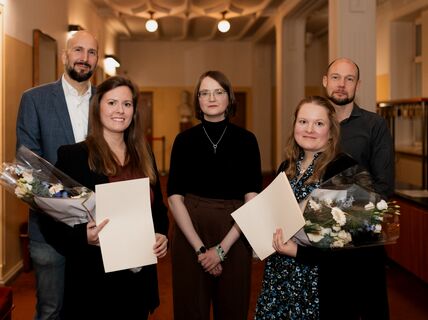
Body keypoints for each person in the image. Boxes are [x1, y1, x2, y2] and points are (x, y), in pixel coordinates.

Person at [53, 76, 169, 319]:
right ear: (98, 108)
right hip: (94, 282)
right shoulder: (73, 156)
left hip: (137, 281)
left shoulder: (144, 154)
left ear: (134, 111)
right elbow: (50, 216)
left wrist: (161, 235)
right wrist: (82, 235)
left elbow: (158, 207)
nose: (120, 110)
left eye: (127, 104)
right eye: (112, 103)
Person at [16, 30, 98, 319]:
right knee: (51, 310)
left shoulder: (107, 103)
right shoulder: (34, 100)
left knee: (90, 308)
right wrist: (67, 206)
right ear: (65, 55)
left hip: (97, 229)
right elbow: (28, 168)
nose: (84, 58)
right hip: (49, 230)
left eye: (91, 52)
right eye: (78, 50)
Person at [167, 70, 262, 320]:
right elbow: (174, 197)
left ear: (229, 98)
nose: (211, 98)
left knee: (233, 309)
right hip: (190, 230)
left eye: (218, 91)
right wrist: (200, 249)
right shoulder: (183, 140)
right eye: (204, 92)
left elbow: (252, 199)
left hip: (236, 230)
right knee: (190, 310)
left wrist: (221, 249)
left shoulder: (247, 141)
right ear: (197, 100)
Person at [255, 96, 359, 319]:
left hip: (319, 284)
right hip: (279, 277)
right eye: (303, 121)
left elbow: (347, 245)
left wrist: (296, 251)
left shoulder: (343, 169)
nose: (309, 129)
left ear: (331, 131)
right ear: (294, 125)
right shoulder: (286, 167)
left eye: (319, 123)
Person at [322, 57, 393, 319]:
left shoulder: (375, 125)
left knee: (368, 310)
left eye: (349, 79)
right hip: (320, 244)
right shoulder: (312, 123)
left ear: (357, 85)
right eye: (336, 77)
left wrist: (341, 218)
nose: (342, 84)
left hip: (362, 242)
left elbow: (384, 185)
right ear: (325, 81)